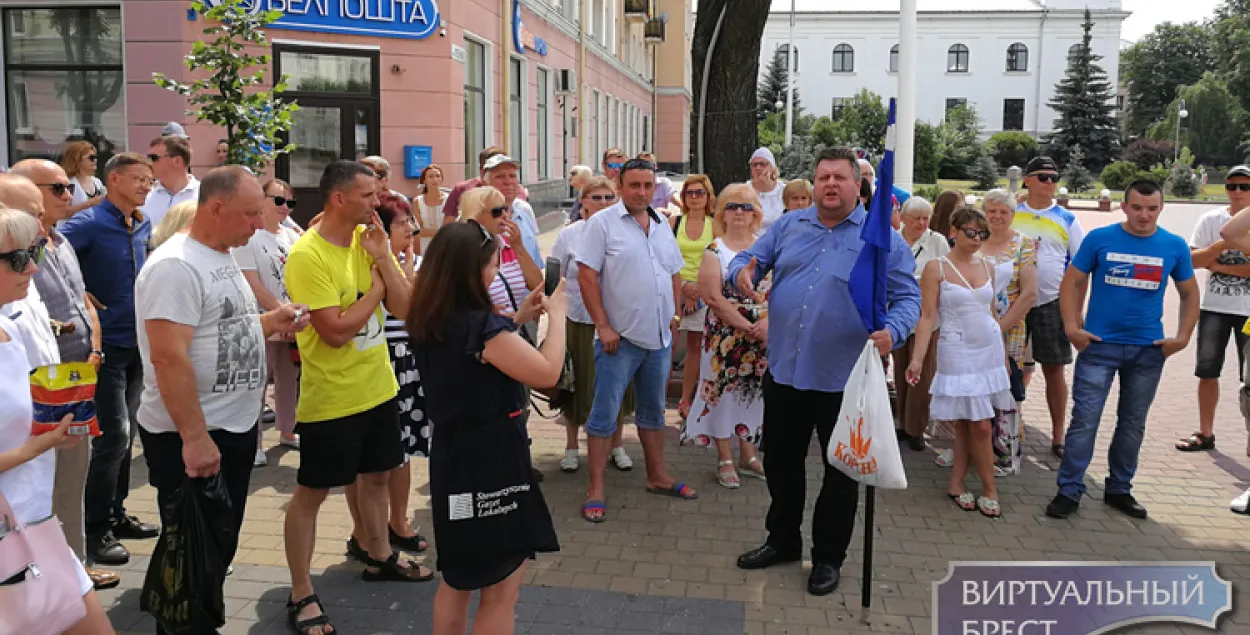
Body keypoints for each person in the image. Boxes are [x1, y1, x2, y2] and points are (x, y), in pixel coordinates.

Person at [728, 147, 920, 596]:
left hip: (846, 381)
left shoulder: (881, 239)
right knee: (781, 465)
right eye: (822, 177)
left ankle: (828, 557)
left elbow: (908, 298)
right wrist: (744, 270)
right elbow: (748, 261)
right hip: (786, 372)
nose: (829, 185)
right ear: (813, 184)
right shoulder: (791, 225)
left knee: (841, 474)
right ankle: (783, 541)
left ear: (858, 184)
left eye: (839, 177)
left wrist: (895, 330)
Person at [135, 167, 308, 634]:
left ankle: (194, 621)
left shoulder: (220, 252)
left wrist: (272, 321)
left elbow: (222, 327)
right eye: (251, 212)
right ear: (216, 207)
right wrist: (194, 438)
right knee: (191, 551)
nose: (259, 222)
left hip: (229, 426)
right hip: (192, 434)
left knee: (215, 546)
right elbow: (169, 359)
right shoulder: (176, 265)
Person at [283, 161, 430, 635]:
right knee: (312, 494)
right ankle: (301, 591)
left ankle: (379, 555)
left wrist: (384, 259)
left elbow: (404, 310)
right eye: (368, 195)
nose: (378, 201)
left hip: (378, 389)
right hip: (332, 400)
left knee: (377, 478)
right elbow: (336, 333)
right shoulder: (308, 255)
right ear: (338, 199)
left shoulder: (367, 243)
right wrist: (378, 292)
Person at [408, 222, 562, 635]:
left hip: (453, 460)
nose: (496, 273)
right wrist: (558, 316)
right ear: (473, 270)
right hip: (493, 463)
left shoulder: (431, 318)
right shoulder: (483, 328)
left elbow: (477, 352)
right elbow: (546, 372)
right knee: (499, 590)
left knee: (457, 577)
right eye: (493, 265)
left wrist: (517, 318)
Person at [1045, 180, 1198, 521]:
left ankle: (1119, 489)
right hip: (1099, 347)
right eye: (1138, 207)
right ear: (1124, 206)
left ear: (1161, 208)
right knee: (1084, 421)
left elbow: (1189, 292)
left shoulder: (1173, 246)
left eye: (1152, 208)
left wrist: (1182, 337)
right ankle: (1069, 490)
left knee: (1132, 423)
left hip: (1148, 351)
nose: (1144, 215)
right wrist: (1072, 326)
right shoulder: (1100, 239)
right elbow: (1071, 281)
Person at [0, 206, 117, 635]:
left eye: (34, 252)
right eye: (17, 258)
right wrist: (35, 447)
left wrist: (47, 431)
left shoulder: (7, 328)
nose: (32, 266)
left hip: (33, 524)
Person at [576, 158, 695, 523]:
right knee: (605, 414)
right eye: (634, 186)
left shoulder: (660, 223)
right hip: (620, 339)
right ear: (620, 185)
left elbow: (674, 273)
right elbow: (586, 276)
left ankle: (656, 476)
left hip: (658, 338)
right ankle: (595, 488)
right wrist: (604, 326)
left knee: (653, 410)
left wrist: (675, 317)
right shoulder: (602, 224)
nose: (641, 192)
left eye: (647, 185)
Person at [60, 153, 159, 567]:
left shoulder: (142, 222)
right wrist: (79, 293)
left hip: (136, 341)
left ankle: (115, 514)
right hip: (101, 349)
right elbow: (52, 256)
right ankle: (93, 528)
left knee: (125, 436)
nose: (145, 187)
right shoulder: (84, 224)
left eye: (150, 181)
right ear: (113, 180)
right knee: (111, 436)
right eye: (138, 179)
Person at [908, 208, 1013, 518]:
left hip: (988, 350)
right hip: (956, 350)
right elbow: (927, 317)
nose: (977, 239)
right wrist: (917, 359)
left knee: (971, 422)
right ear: (953, 231)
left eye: (982, 234)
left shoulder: (990, 267)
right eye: (970, 232)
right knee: (980, 424)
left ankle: (956, 483)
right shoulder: (935, 268)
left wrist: (1004, 357)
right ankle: (989, 488)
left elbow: (993, 314)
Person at [680, 184, 767, 488]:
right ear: (722, 214)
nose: (740, 212)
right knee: (720, 394)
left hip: (760, 337)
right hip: (724, 336)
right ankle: (724, 458)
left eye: (746, 207)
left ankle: (748, 453)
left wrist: (766, 325)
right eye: (732, 206)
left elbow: (776, 290)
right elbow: (713, 298)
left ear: (756, 213)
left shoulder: (764, 247)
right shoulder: (714, 249)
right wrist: (746, 327)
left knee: (753, 393)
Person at [549, 178, 634, 473]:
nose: (602, 203)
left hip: (616, 320)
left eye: (608, 197)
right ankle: (572, 446)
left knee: (616, 384)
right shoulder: (570, 235)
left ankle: (617, 445)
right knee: (574, 384)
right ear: (582, 201)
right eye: (595, 197)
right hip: (579, 320)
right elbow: (554, 275)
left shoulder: (625, 233)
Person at [1012, 157, 1084, 459]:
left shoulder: (1067, 219)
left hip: (1052, 303)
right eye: (1043, 177)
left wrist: (1076, 313)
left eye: (1054, 177)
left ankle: (1057, 435)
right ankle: (1007, 428)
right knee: (1007, 368)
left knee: (1055, 370)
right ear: (1027, 180)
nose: (1050, 183)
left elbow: (1081, 269)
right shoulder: (1012, 212)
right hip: (1013, 302)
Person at [373, 191, 431, 552]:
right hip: (382, 357)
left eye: (410, 221)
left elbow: (418, 311)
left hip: (410, 359)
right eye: (400, 223)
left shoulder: (419, 262)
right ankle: (374, 528)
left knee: (405, 445)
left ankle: (399, 517)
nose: (409, 228)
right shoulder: (371, 263)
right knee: (384, 448)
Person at [1178, 164, 1250, 454]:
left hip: (1248, 312)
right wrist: (1223, 246)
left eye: (1244, 187)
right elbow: (1192, 261)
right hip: (1215, 308)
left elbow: (1209, 261)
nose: (1237, 192)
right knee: (1207, 372)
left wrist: (1216, 262)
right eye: (1231, 186)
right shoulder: (1211, 219)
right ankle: (1205, 432)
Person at [231, 178, 302, 462]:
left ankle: (287, 430)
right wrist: (279, 313)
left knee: (289, 379)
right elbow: (251, 281)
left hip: (290, 319)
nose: (284, 208)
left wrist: (295, 315)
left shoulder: (291, 235)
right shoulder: (251, 236)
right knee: (258, 382)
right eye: (278, 201)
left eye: (290, 202)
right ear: (262, 200)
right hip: (263, 318)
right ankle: (255, 442)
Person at [978, 189, 1038, 474]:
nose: (997, 216)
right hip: (973, 327)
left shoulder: (1024, 245)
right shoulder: (973, 240)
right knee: (973, 388)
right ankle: (971, 449)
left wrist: (999, 328)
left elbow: (1029, 294)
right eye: (991, 210)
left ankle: (1004, 451)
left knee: (1005, 388)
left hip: (1009, 328)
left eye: (1003, 211)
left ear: (1013, 215)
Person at [892, 196, 949, 451]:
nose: (922, 223)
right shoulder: (893, 239)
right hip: (897, 315)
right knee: (900, 368)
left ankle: (916, 428)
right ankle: (903, 424)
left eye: (926, 218)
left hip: (928, 316)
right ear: (903, 219)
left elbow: (947, 274)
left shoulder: (936, 242)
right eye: (916, 218)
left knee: (923, 374)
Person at [672, 175, 717, 420]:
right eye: (690, 193)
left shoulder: (715, 224)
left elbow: (717, 259)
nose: (695, 197)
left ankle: (687, 399)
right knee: (666, 347)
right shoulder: (674, 221)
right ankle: (656, 399)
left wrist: (697, 290)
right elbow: (664, 256)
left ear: (708, 197)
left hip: (702, 293)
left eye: (700, 193)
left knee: (695, 349)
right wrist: (684, 286)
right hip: (675, 289)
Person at [482, 155, 543, 270]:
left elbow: (536, 262)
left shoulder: (525, 213)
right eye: (500, 177)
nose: (508, 182)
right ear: (485, 185)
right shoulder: (477, 219)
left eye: (512, 176)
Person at [140, 136, 199, 227]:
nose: (148, 163)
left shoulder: (204, 195)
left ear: (177, 161)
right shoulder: (144, 197)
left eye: (153, 158)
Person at [444, 145, 504, 221]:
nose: (507, 181)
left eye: (511, 175)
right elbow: (448, 224)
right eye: (498, 172)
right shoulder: (462, 189)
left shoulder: (515, 191)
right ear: (482, 171)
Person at [60, 141, 105, 217]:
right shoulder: (68, 183)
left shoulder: (97, 182)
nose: (95, 160)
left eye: (95, 158)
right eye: (91, 158)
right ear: (77, 160)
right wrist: (88, 204)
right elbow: (62, 213)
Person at [747, 148, 785, 231]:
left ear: (772, 167)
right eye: (754, 164)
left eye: (762, 164)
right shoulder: (744, 189)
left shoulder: (783, 190)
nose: (758, 168)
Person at [415, 164, 446, 253]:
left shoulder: (448, 200)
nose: (435, 180)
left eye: (437, 176)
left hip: (445, 245)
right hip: (425, 247)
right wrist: (439, 232)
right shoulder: (417, 201)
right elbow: (417, 230)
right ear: (424, 180)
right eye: (431, 176)